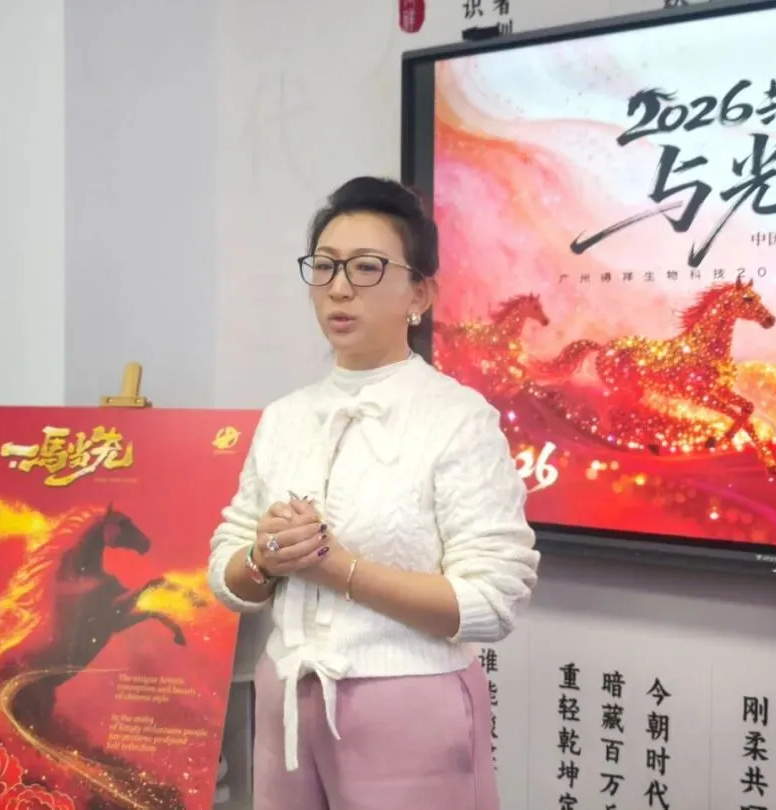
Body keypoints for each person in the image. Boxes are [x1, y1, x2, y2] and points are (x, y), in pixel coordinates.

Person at [206, 176, 539, 810]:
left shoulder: (458, 419)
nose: (339, 287)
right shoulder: (284, 417)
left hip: (408, 708)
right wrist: (263, 559)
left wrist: (339, 569)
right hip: (285, 701)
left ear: (421, 293)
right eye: (325, 266)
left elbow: (493, 601)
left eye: (366, 267)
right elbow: (227, 571)